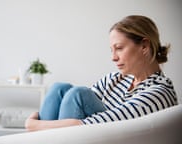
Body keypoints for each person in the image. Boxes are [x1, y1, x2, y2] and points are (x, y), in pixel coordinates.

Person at [25, 15, 178, 131]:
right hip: (92, 134)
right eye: (111, 50)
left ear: (144, 46)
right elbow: (76, 109)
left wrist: (33, 124)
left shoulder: (159, 93)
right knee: (60, 88)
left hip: (111, 137)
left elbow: (90, 123)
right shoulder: (114, 79)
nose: (113, 57)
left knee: (78, 94)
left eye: (119, 48)